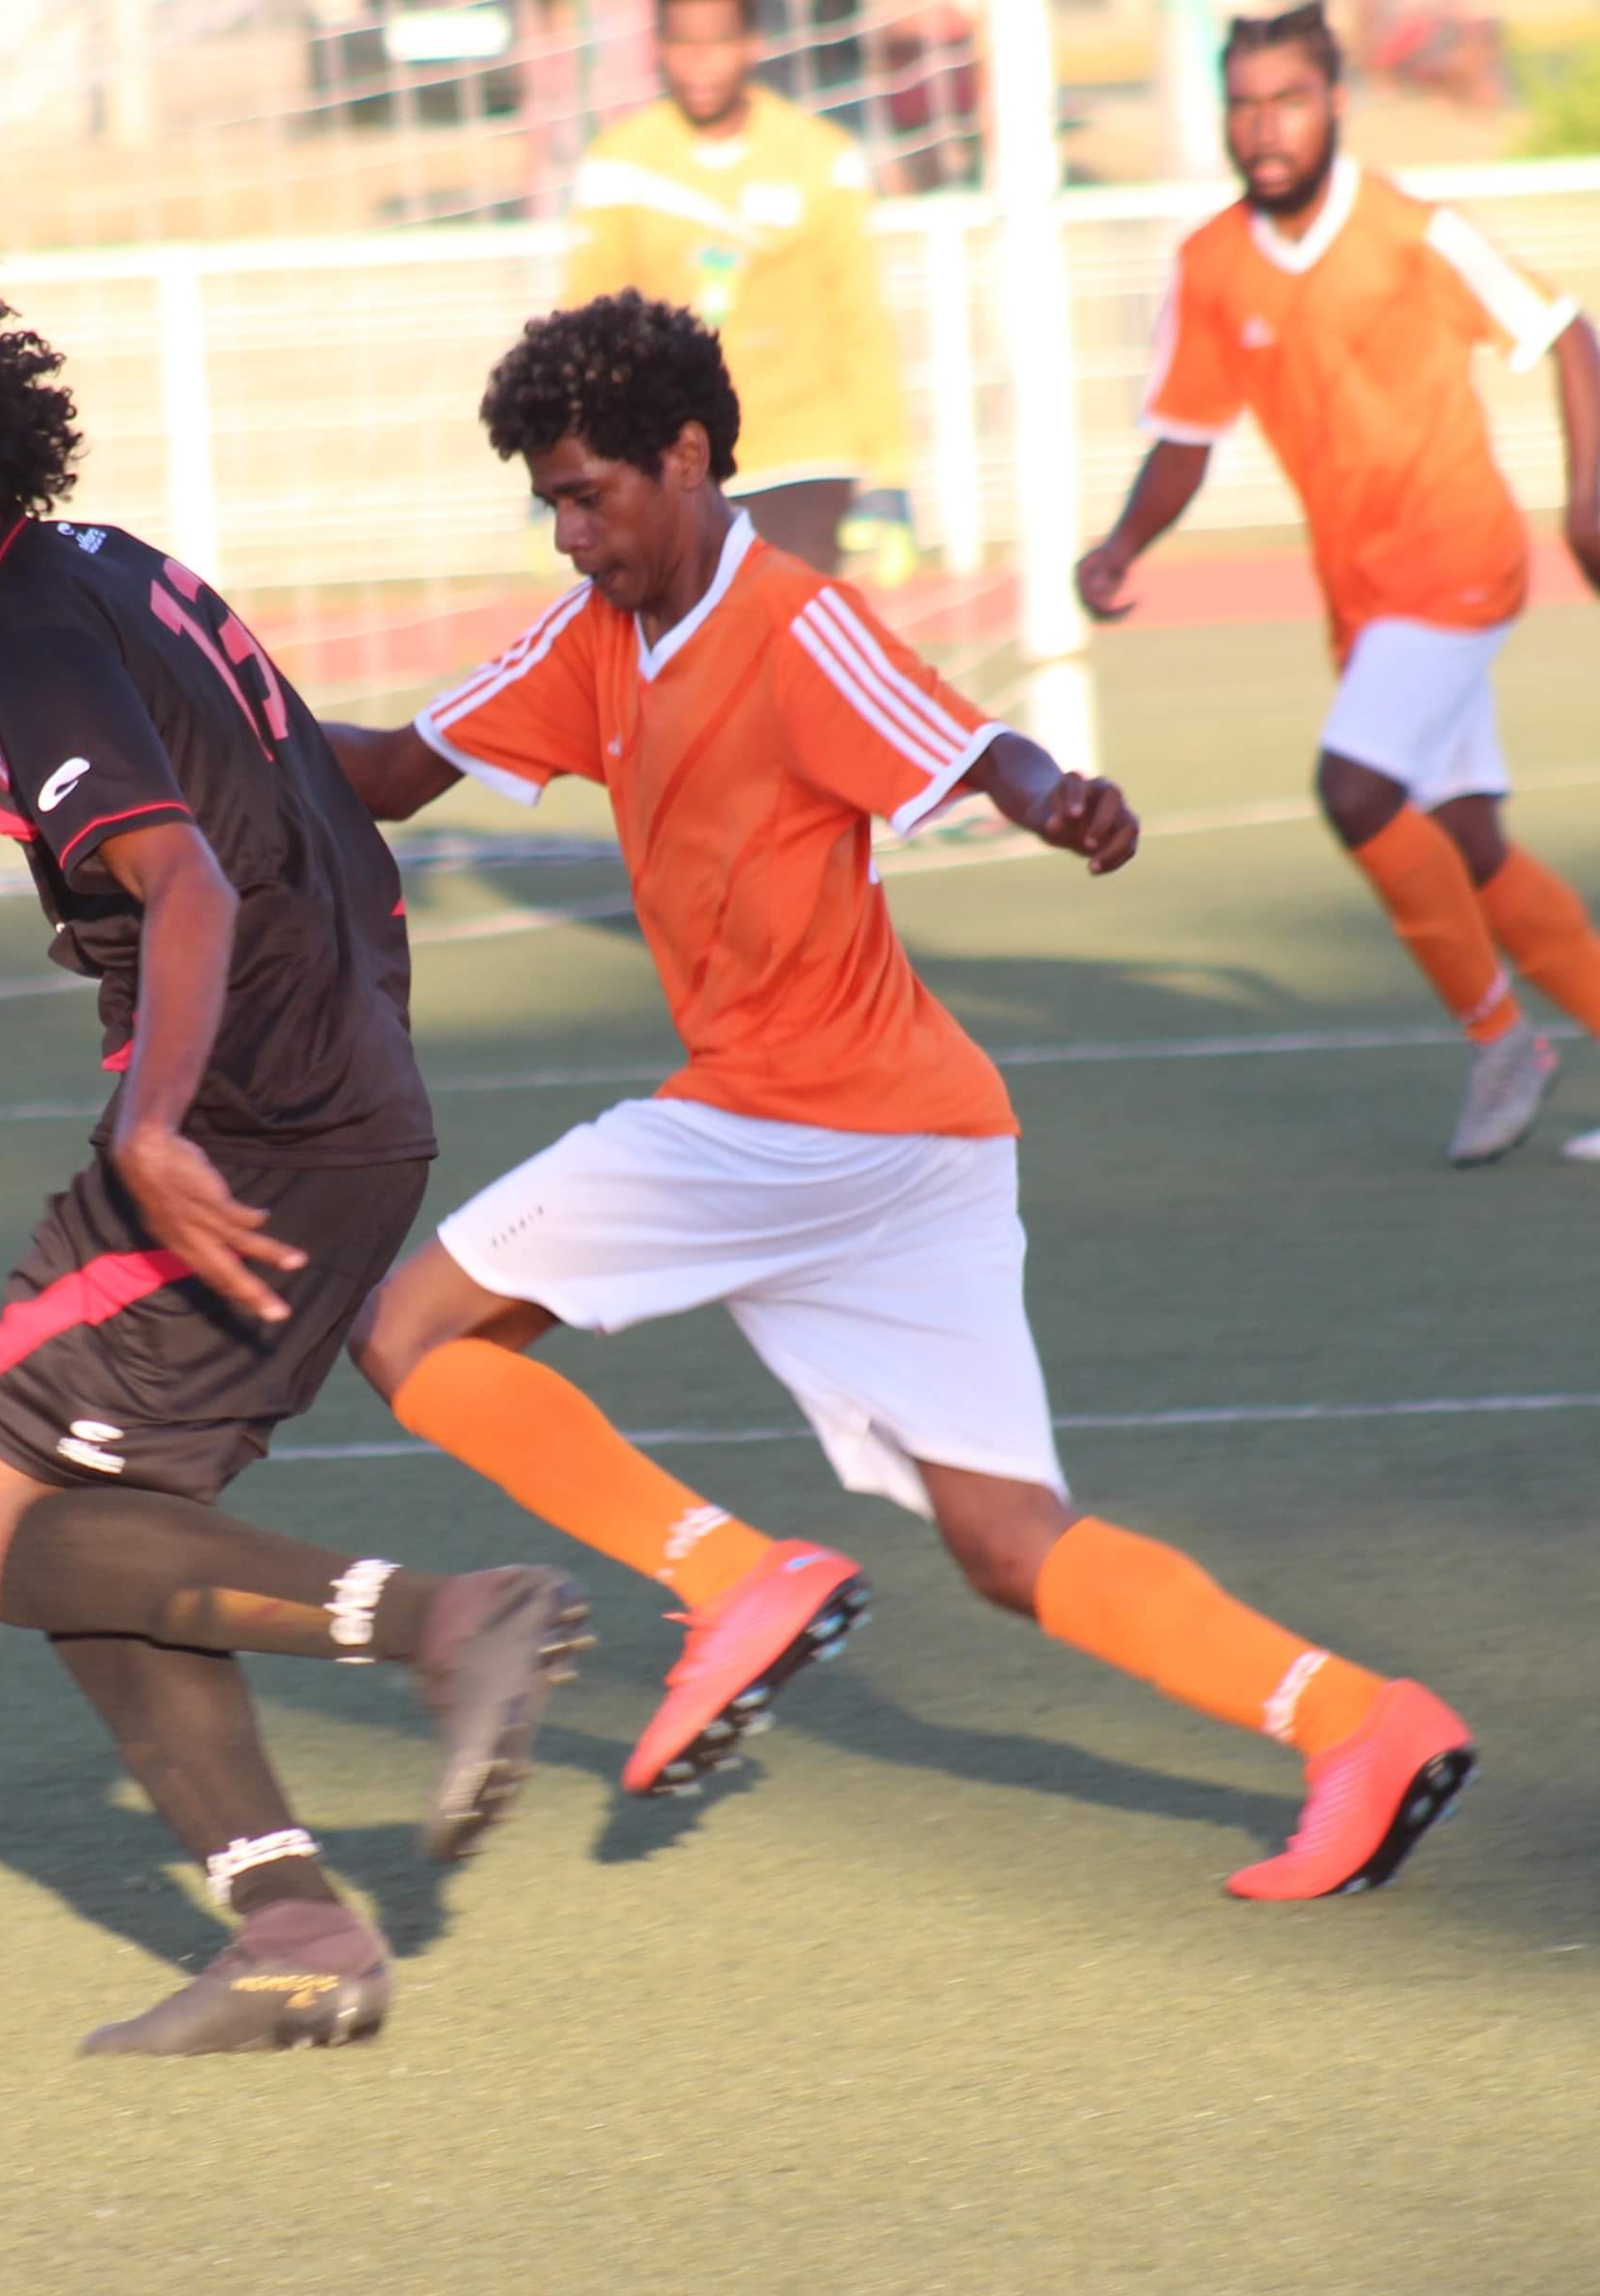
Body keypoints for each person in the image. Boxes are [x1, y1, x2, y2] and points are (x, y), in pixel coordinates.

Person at [326, 290, 1478, 1901]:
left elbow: (976, 741)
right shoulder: (593, 637)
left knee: (408, 1332)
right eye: (550, 505)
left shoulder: (793, 624)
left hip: (794, 1118)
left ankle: (735, 1578)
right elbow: (383, 772)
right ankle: (1364, 1724)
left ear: (687, 455)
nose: (571, 535)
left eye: (589, 495)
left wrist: (1053, 802)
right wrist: (207, 715)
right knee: (1009, 1544)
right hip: (914, 1145)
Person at [0, 232, 588, 2053]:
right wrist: (493, 741)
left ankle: (444, 1622)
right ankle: (295, 1936)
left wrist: (159, 1131)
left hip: (247, 1126)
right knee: (107, 1522)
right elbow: (313, 762)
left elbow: (182, 879)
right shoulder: (123, 570)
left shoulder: (24, 642)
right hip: (357, 1109)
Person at [1075, 2, 1600, 1167]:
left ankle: (1500, 1042)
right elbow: (1184, 436)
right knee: (1467, 843)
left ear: (1336, 105)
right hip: (1363, 601)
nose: (1263, 127)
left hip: (1461, 561)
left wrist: (1583, 520)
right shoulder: (1210, 265)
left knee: (1355, 789)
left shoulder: (1414, 232)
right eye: (1244, 104)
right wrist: (1123, 544)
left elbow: (1567, 334)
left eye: (1288, 100)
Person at [563, 0, 917, 582]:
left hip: (801, 459)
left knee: (782, 655)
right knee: (680, 662)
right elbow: (587, 329)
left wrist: (891, 471)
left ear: (752, 45)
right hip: (669, 469)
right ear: (660, 50)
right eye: (684, 46)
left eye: (718, 44)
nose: (701, 65)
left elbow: (860, 322)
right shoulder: (619, 167)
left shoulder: (820, 158)